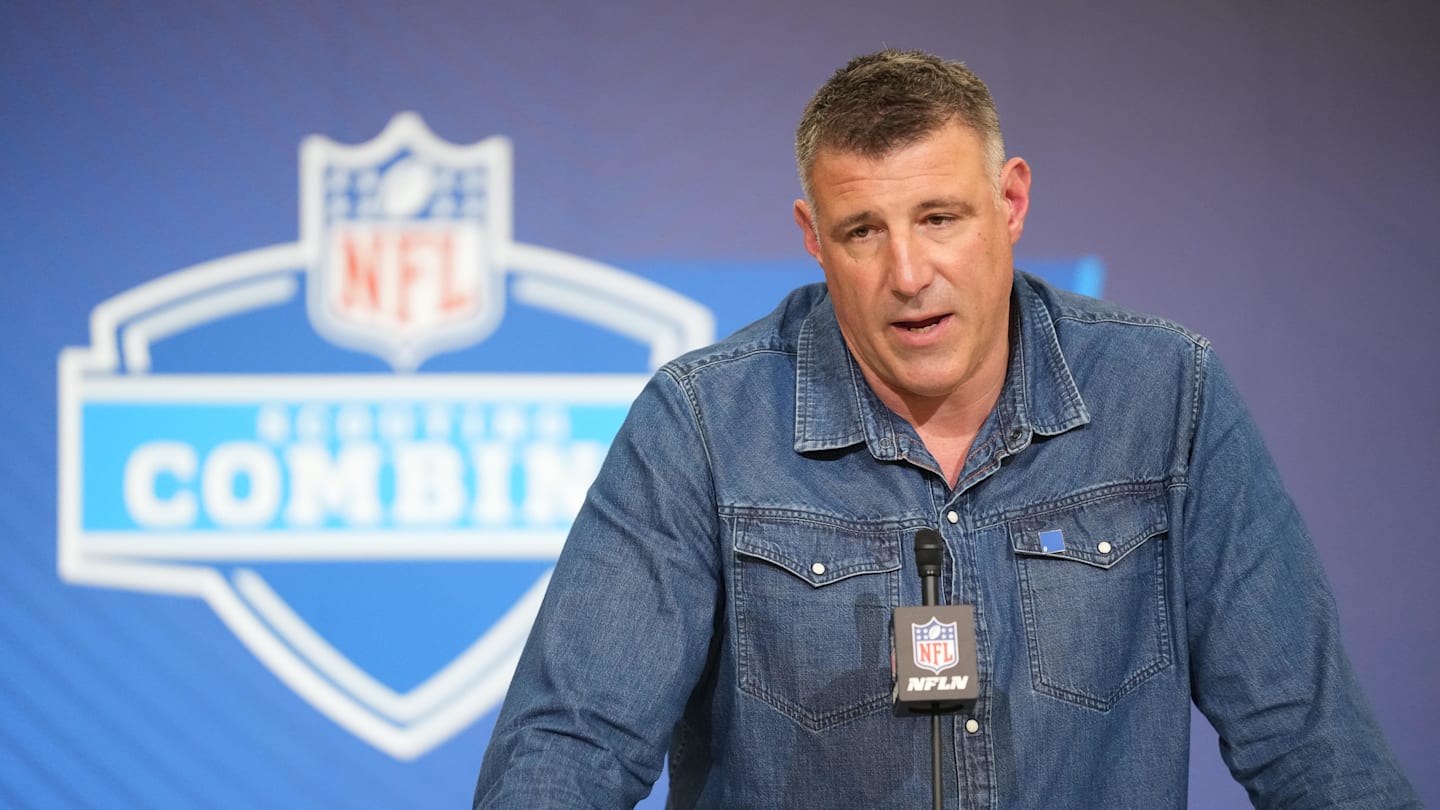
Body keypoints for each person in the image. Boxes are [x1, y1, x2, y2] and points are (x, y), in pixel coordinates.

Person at [473, 49, 1417, 808]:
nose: (909, 271)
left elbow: (1307, 739)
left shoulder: (1168, 396)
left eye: (940, 216)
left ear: (1010, 204)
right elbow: (573, 744)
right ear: (812, 236)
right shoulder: (703, 425)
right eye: (863, 231)